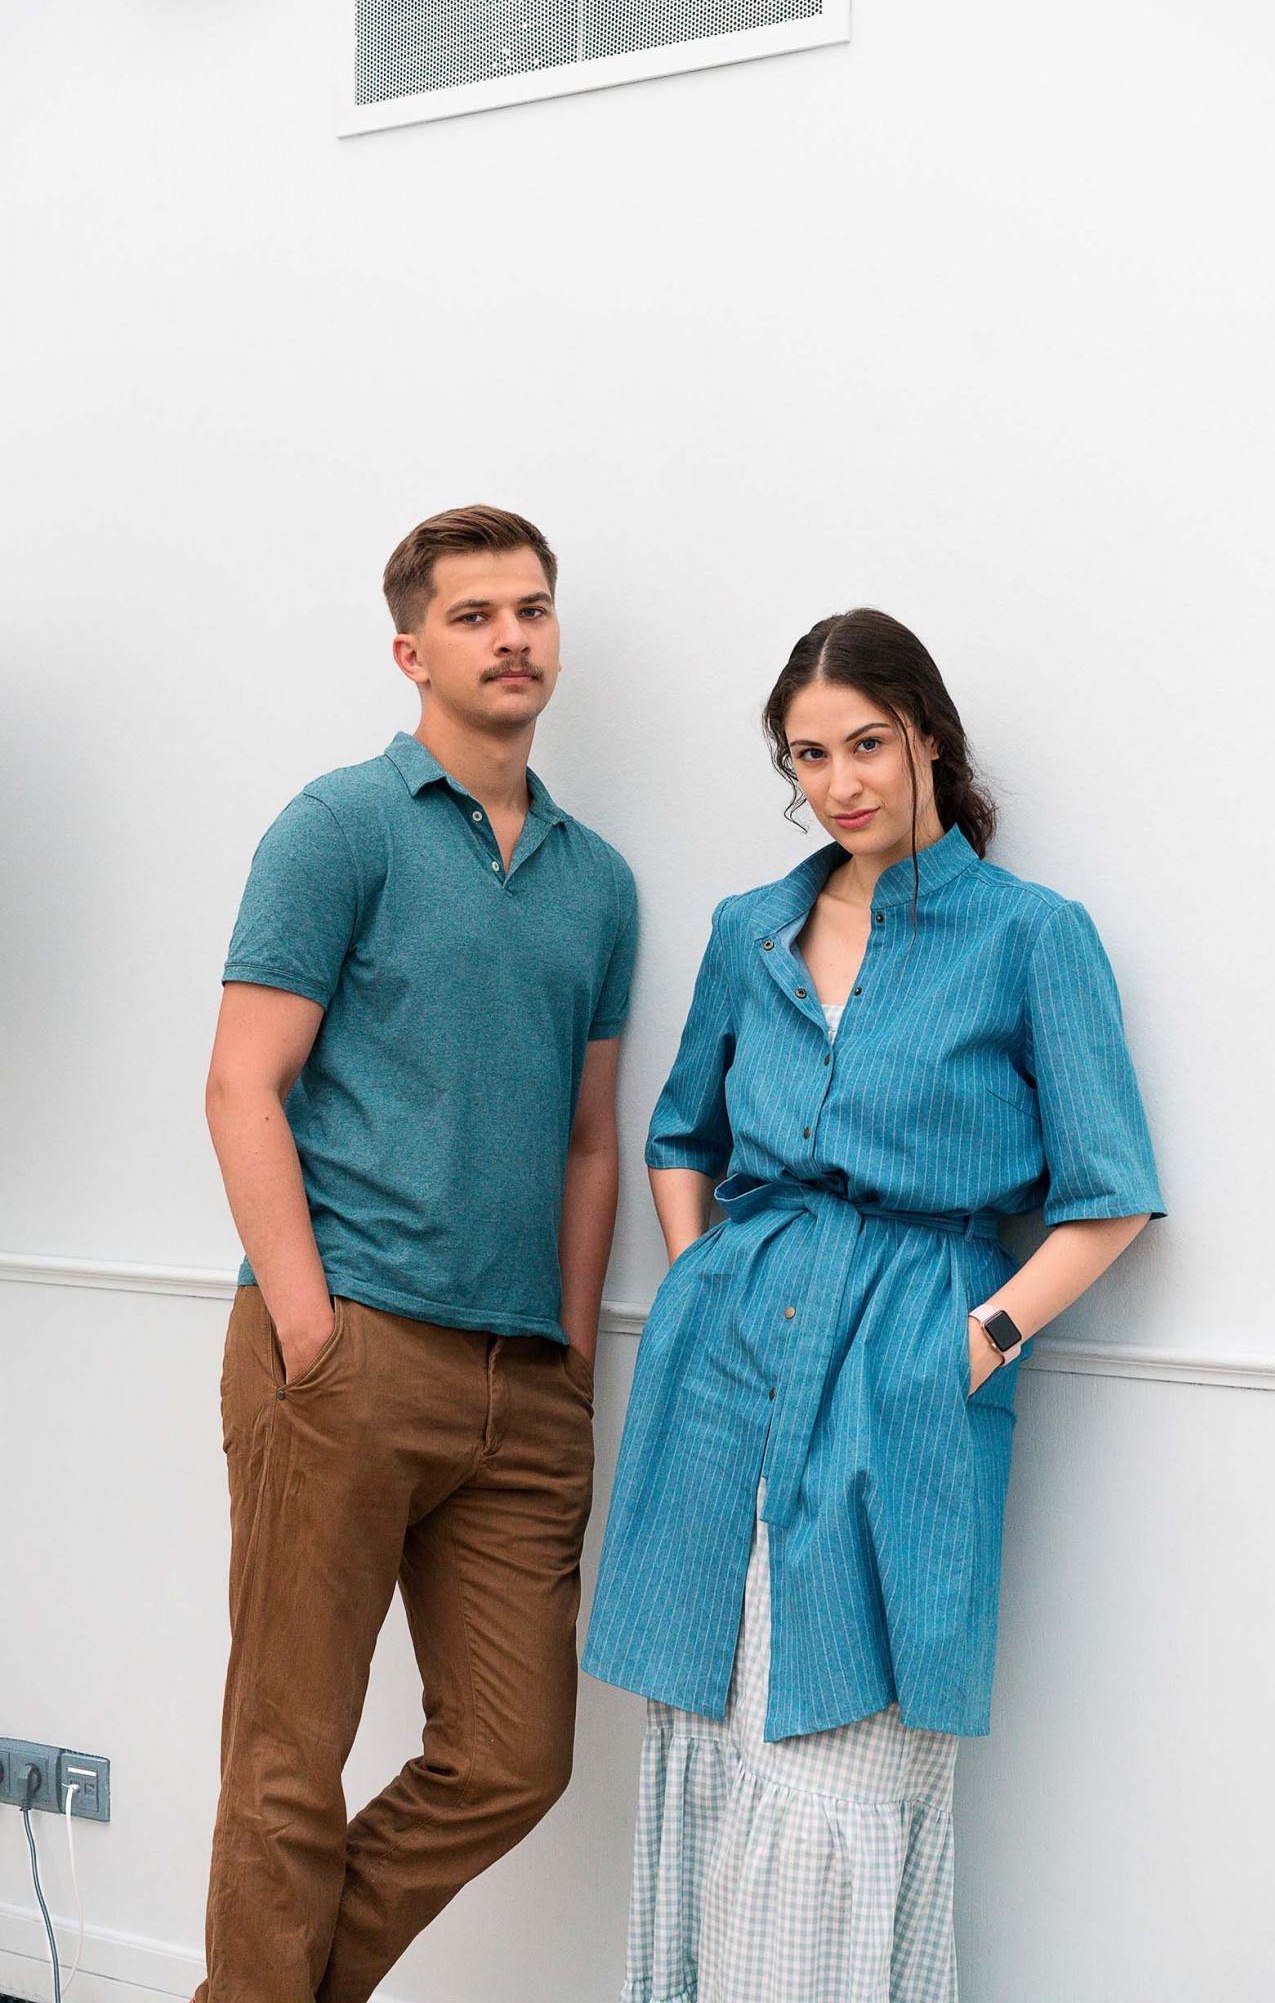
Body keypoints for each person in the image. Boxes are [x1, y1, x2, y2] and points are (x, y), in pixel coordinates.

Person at [582, 607, 1165, 2003]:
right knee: (713, 1726)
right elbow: (679, 1136)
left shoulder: (1029, 937)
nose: (840, 782)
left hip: (906, 1360)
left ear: (927, 740)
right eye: (809, 756)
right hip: (729, 1367)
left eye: (866, 744)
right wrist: (702, 1283)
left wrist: (975, 1343)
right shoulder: (752, 929)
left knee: (842, 1739)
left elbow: (1111, 1194)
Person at [198, 505, 636, 2003]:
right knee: (289, 1757)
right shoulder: (339, 827)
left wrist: (568, 1356)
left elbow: (590, 1142)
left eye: (532, 609)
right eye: (474, 615)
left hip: (522, 1380)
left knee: (514, 1758)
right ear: (411, 652)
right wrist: (309, 1332)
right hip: (349, 1348)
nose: (512, 637)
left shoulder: (598, 882)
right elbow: (241, 1085)